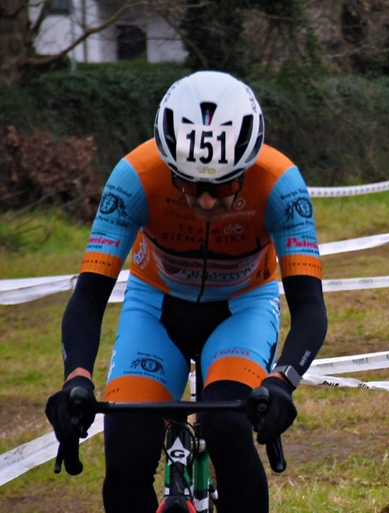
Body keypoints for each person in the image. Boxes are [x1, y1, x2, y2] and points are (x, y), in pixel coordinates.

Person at [44, 70, 328, 513]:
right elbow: (88, 297)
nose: (207, 201)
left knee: (227, 424)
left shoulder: (280, 185)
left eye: (222, 184)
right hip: (155, 309)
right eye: (190, 183)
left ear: (248, 164)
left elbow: (310, 306)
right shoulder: (135, 176)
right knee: (126, 446)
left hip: (242, 310)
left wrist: (283, 381)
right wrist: (76, 378)